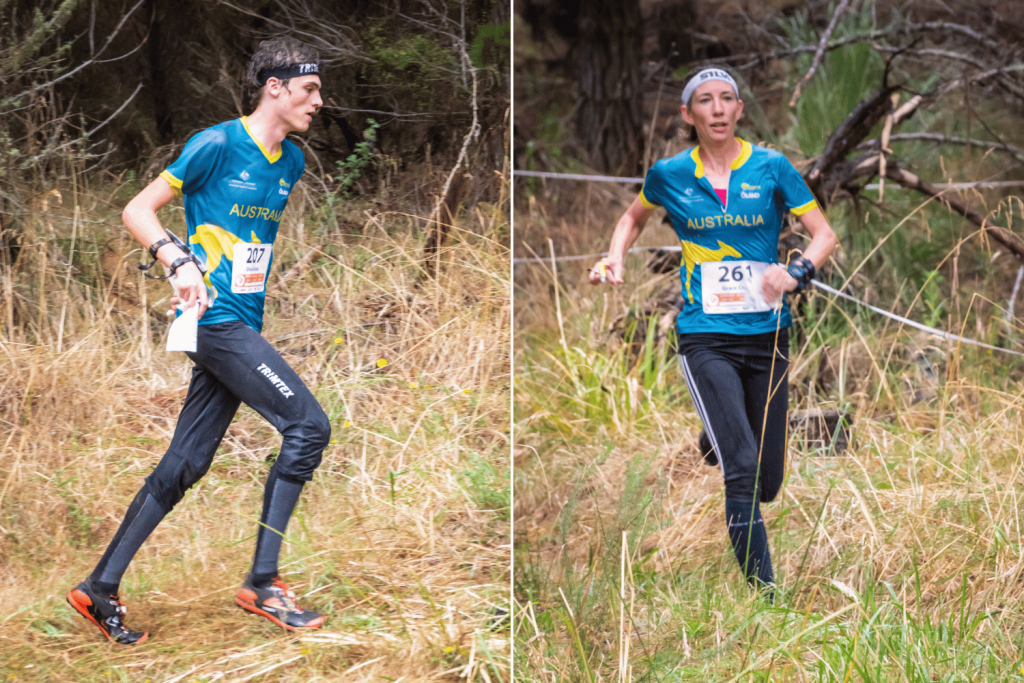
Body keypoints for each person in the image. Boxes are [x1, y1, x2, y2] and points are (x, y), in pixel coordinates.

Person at [66, 36, 331, 644]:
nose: (319, 101)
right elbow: (139, 209)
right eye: (310, 89)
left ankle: (97, 588)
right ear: (276, 87)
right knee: (308, 427)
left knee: (185, 464)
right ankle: (263, 583)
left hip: (241, 322)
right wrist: (176, 258)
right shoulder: (215, 144)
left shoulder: (292, 161)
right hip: (213, 323)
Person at [589, 65, 837, 597]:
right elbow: (632, 217)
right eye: (706, 100)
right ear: (689, 114)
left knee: (768, 483)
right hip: (705, 335)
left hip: (769, 335)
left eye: (728, 99)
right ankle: (766, 599)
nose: (718, 109)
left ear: (740, 109)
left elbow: (823, 234)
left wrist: (795, 272)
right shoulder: (669, 174)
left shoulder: (771, 167)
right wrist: (614, 257)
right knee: (742, 469)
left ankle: (714, 436)